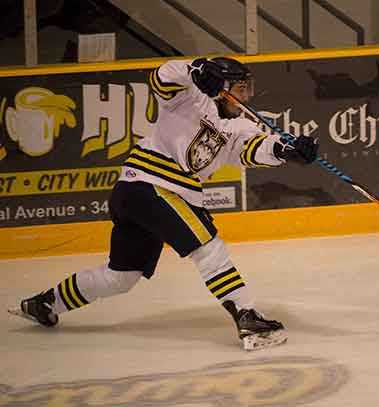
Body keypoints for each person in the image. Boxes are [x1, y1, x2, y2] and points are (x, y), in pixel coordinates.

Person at [9, 56, 319, 351]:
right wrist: (196, 70)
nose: (245, 97)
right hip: (152, 184)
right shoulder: (189, 97)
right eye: (239, 90)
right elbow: (163, 76)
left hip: (138, 192)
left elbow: (253, 148)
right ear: (220, 87)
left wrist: (284, 151)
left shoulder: (238, 127)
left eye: (246, 89)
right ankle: (247, 316)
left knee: (121, 277)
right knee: (208, 247)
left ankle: (45, 303)